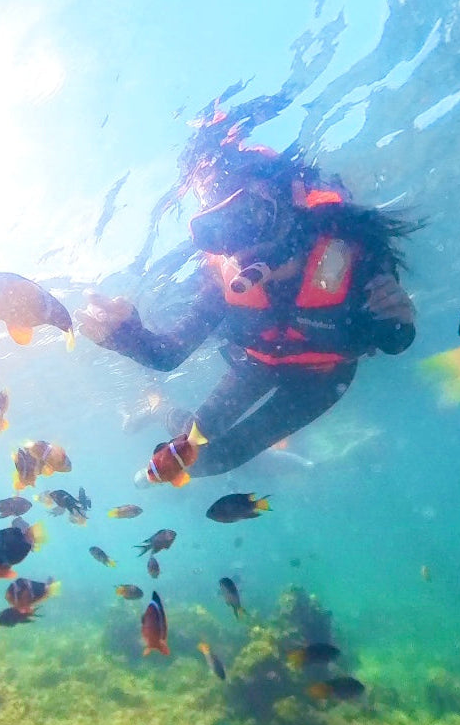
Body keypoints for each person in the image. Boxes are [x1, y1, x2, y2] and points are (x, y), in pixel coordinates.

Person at [77, 135, 419, 478]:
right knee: (192, 452)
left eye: (250, 216)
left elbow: (394, 340)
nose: (238, 246)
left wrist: (399, 318)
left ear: (292, 202)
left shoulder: (356, 249)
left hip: (322, 381)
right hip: (255, 365)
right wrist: (124, 335)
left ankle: (163, 414)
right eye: (218, 231)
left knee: (213, 461)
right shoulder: (223, 279)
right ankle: (158, 407)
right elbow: (166, 355)